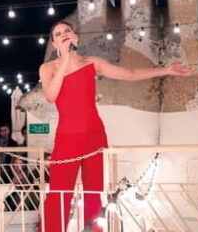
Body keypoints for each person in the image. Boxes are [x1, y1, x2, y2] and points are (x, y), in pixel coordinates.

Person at [39, 20, 190, 232]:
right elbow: (50, 96)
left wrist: (166, 70)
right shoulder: (48, 68)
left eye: (67, 31)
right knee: (58, 194)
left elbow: (130, 74)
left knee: (94, 194)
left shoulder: (92, 62)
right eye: (58, 34)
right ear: (54, 44)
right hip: (67, 138)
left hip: (95, 136)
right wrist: (65, 59)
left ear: (75, 36)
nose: (64, 34)